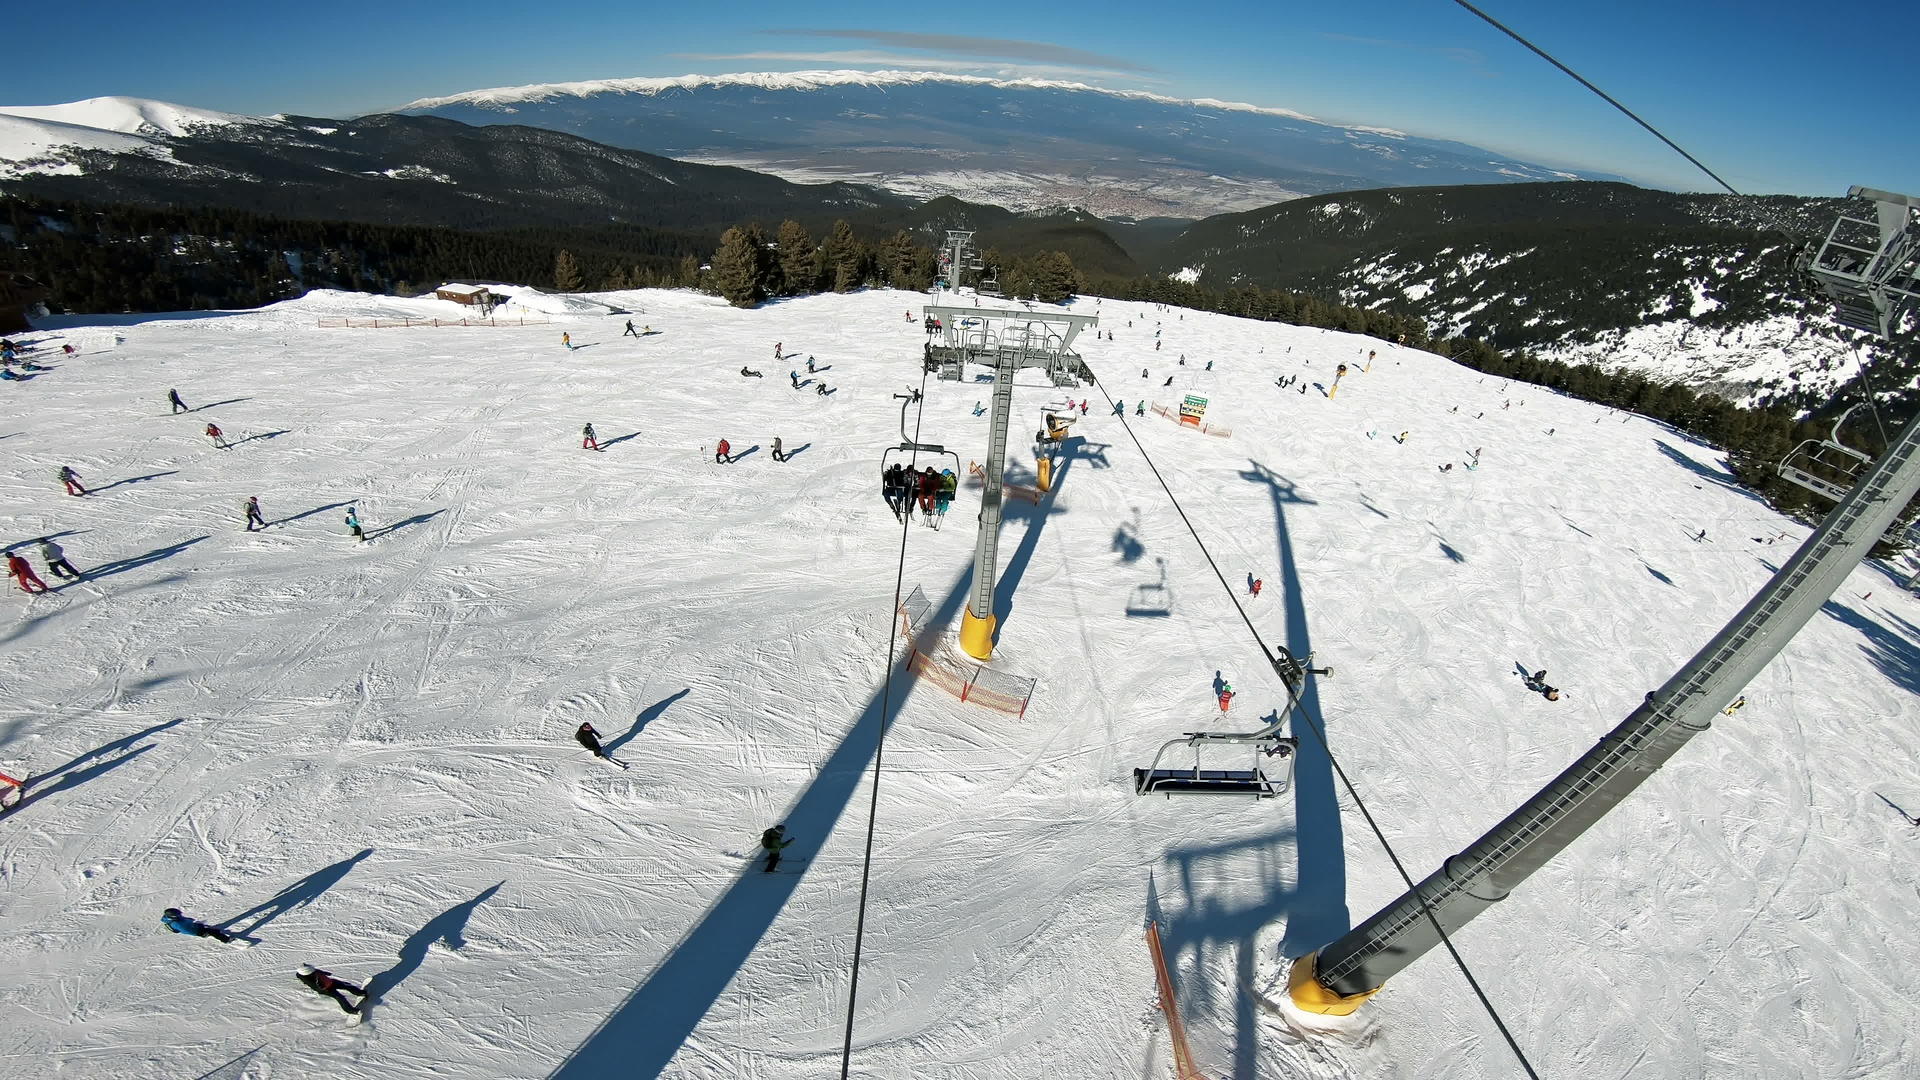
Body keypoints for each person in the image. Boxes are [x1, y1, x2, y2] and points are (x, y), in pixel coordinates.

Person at [296, 964, 368, 1015]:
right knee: (340, 997)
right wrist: (323, 988)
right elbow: (315, 986)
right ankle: (351, 1011)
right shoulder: (306, 978)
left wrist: (325, 973)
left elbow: (316, 970)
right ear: (306, 972)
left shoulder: (310, 970)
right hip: (326, 989)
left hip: (330, 982)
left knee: (346, 985)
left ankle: (360, 993)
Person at [162, 907, 235, 944]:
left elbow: (184, 919)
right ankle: (226, 940)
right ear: (174, 917)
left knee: (207, 928)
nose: (180, 915)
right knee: (214, 932)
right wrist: (201, 933)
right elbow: (188, 931)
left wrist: (191, 921)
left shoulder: (172, 918)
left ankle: (206, 929)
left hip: (193, 925)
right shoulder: (178, 924)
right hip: (195, 930)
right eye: (178, 915)